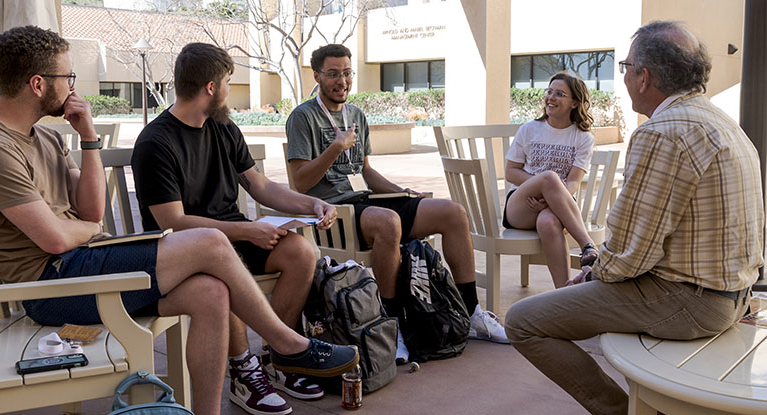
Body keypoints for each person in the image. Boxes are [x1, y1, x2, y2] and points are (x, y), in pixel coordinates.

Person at [0, 26, 358, 415]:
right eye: (68, 76)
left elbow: (91, 213)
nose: (73, 87)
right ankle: (288, 346)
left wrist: (89, 138)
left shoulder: (47, 137)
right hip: (54, 284)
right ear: (38, 84)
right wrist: (88, 230)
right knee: (211, 242)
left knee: (211, 292)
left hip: (87, 262)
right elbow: (57, 240)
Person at [504, 20, 763, 414]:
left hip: (693, 303)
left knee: (523, 320)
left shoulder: (663, 131)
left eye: (625, 67)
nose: (623, 76)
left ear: (643, 77)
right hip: (734, 293)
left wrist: (591, 275)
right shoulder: (723, 122)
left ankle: (622, 411)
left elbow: (629, 253)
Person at [131, 42, 340, 415]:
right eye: (227, 81)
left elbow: (259, 186)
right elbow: (173, 223)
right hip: (186, 252)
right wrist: (247, 232)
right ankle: (244, 373)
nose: (229, 90)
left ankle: (282, 359)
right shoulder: (155, 142)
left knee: (301, 252)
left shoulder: (223, 127)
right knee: (223, 270)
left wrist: (314, 204)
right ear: (210, 87)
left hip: (233, 235)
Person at [285, 44, 508, 345]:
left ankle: (471, 313)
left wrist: (401, 192)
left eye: (347, 73)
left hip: (365, 202)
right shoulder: (303, 117)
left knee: (453, 213)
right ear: (317, 76)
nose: (342, 81)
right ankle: (391, 326)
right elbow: (300, 181)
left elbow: (366, 172)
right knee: (389, 222)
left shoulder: (355, 115)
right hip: (333, 212)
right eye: (333, 74)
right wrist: (335, 147)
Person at [503, 70, 598, 288]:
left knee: (548, 222)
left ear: (575, 103)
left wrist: (549, 195)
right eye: (549, 91)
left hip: (557, 207)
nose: (550, 98)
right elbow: (510, 172)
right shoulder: (529, 129)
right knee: (549, 178)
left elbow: (574, 182)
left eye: (559, 94)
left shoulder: (583, 138)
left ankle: (564, 293)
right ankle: (588, 246)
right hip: (521, 205)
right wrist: (542, 186)